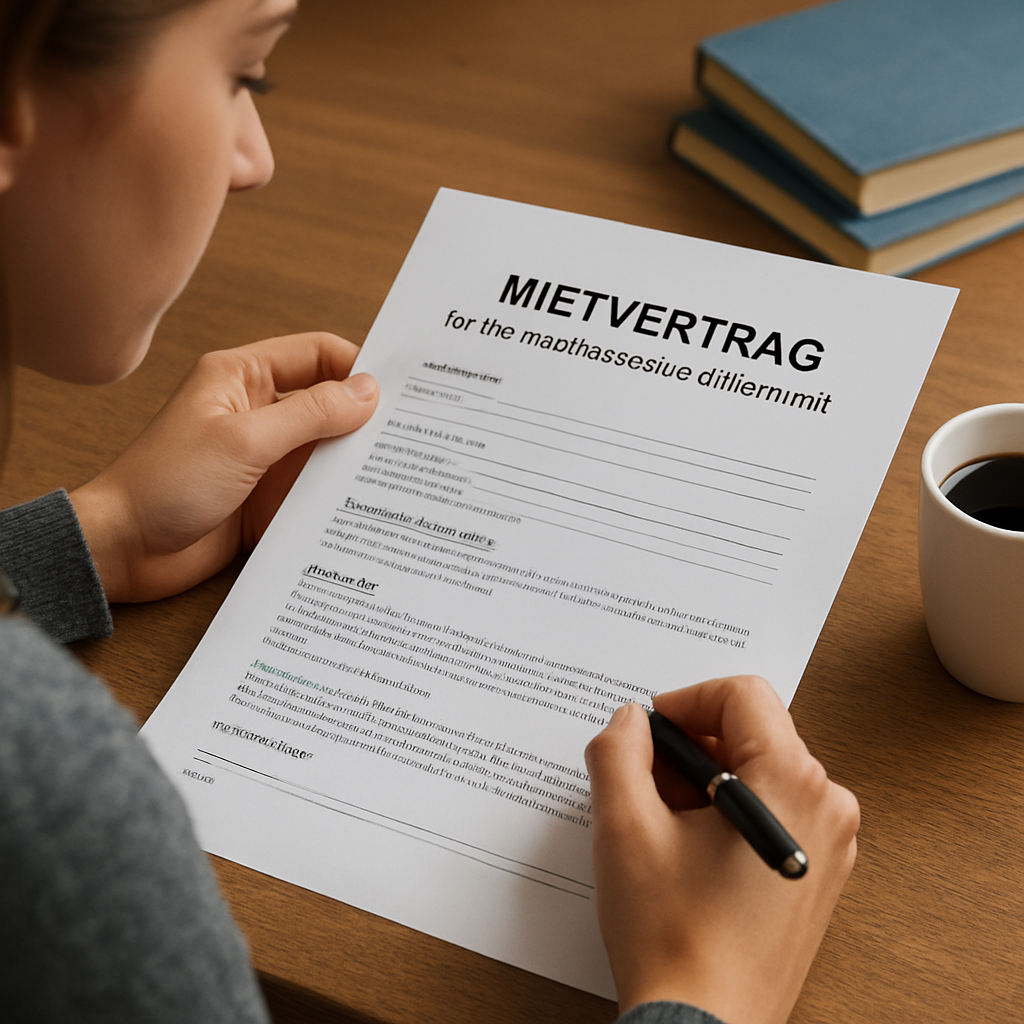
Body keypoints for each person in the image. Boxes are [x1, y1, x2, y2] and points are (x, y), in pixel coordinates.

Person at [0, 1, 860, 1022]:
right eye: (247, 76)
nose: (253, 156)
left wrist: (83, 541)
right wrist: (711, 993)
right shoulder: (49, 798)